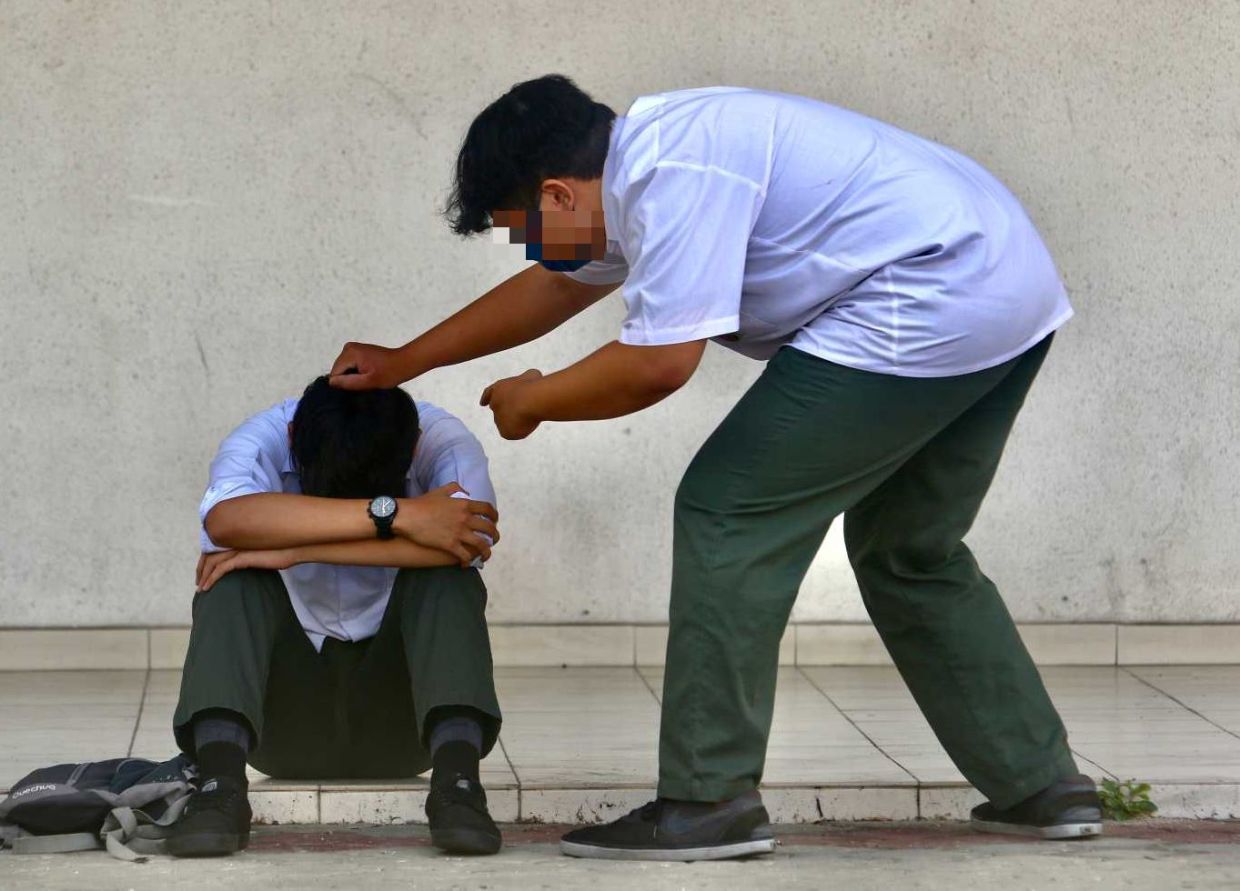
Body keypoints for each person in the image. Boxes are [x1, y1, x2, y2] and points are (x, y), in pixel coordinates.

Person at [329, 74, 1102, 861]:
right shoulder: (644, 166)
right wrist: (407, 360)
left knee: (726, 508)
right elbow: (557, 286)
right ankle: (1041, 783)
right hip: (1007, 285)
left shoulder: (674, 177)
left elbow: (659, 365)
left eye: (519, 229)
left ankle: (708, 795)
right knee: (911, 547)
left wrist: (538, 400)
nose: (526, 249)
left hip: (924, 294)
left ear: (558, 194)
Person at [167, 376, 504, 857]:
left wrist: (292, 548)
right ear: (291, 443)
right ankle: (219, 790)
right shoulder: (262, 437)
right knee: (233, 576)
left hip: (408, 723)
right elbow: (224, 522)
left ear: (413, 453)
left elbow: (472, 543)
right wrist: (395, 516)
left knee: (449, 575)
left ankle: (459, 790)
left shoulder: (440, 438)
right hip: (281, 726)